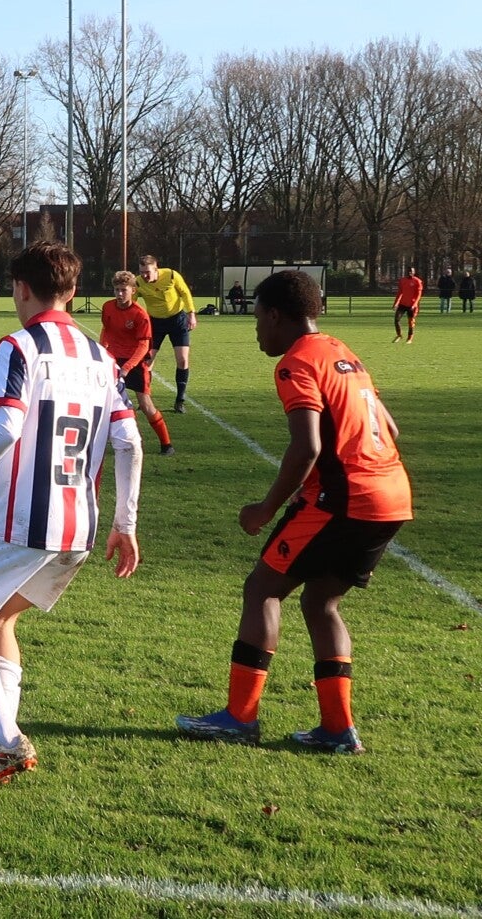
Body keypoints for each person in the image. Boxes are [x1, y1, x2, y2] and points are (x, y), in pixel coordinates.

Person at [0, 242, 143, 791]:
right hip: (80, 526)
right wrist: (126, 524)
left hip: (23, 523)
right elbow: (130, 443)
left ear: (20, 289)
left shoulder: (18, 347)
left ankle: (4, 739)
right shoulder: (102, 358)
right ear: (72, 290)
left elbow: (6, 428)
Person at [177, 270, 410, 755]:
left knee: (262, 589)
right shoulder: (341, 351)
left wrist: (265, 509)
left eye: (257, 318)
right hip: (391, 495)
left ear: (276, 316)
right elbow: (389, 427)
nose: (256, 330)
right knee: (321, 602)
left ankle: (240, 718)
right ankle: (337, 730)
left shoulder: (296, 362)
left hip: (345, 498)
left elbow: (307, 447)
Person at [101, 272, 175, 456]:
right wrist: (103, 353)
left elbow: (144, 345)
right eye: (116, 290)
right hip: (114, 359)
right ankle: (105, 441)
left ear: (133, 290)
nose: (119, 294)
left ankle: (166, 444)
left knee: (146, 404)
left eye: (123, 290)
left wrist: (127, 367)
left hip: (135, 363)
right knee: (105, 401)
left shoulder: (140, 314)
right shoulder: (108, 307)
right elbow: (106, 331)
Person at [136, 255, 198, 412]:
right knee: (147, 361)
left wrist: (191, 313)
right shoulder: (138, 282)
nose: (144, 276)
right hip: (155, 323)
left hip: (177, 320)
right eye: (142, 272)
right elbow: (132, 302)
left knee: (182, 360)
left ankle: (180, 400)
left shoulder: (171, 275)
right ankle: (145, 400)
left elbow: (185, 293)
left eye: (147, 272)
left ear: (156, 269)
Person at [392, 266, 423, 344]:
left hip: (412, 305)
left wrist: (414, 304)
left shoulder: (418, 281)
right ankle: (399, 335)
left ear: (414, 272)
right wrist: (396, 303)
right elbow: (400, 293)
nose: (410, 272)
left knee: (411, 322)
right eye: (408, 271)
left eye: (411, 271)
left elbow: (419, 295)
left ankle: (409, 338)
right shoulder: (402, 280)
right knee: (396, 320)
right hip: (402, 304)